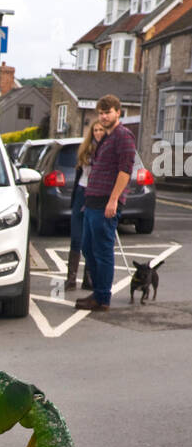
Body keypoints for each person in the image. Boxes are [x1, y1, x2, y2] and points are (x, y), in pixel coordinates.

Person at [75, 95, 136, 312]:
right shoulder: (106, 138)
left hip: (106, 205)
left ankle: (102, 298)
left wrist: (113, 200)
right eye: (101, 113)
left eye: (108, 112)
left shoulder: (123, 136)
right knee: (88, 248)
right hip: (92, 203)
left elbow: (125, 171)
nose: (103, 116)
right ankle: (98, 292)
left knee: (102, 251)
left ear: (118, 112)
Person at [65, 117, 106, 290]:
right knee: (76, 236)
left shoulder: (107, 150)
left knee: (91, 238)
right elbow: (79, 175)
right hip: (82, 192)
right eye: (95, 130)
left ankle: (88, 278)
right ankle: (71, 278)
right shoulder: (85, 149)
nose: (97, 133)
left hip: (96, 196)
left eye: (101, 130)